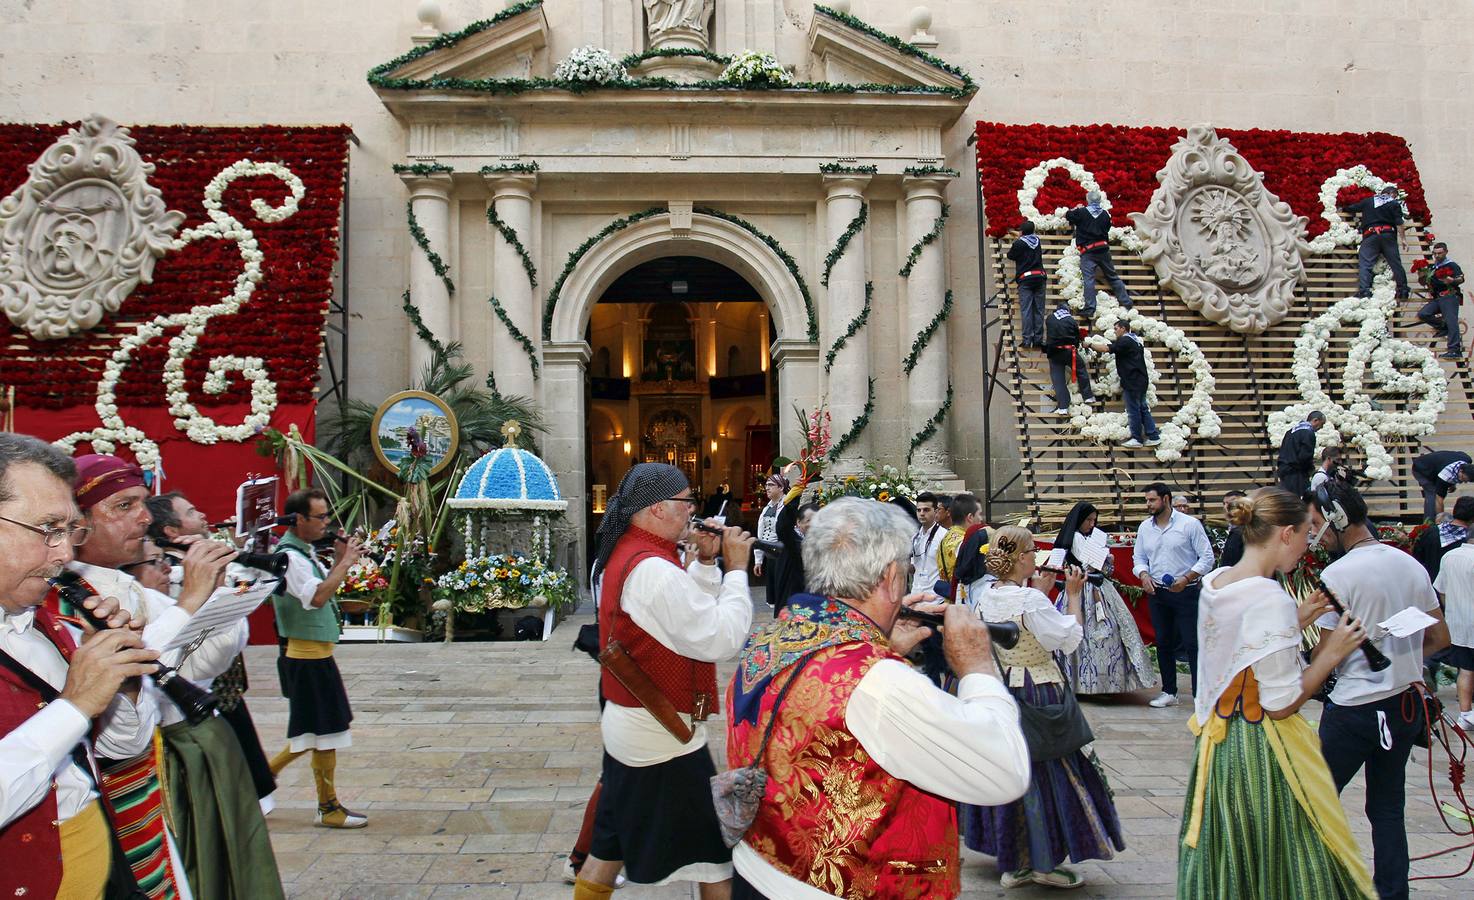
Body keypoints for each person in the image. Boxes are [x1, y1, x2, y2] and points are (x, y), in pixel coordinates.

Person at [725, 498, 1031, 898]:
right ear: (891, 578)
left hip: (761, 868)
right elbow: (1005, 772)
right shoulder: (881, 681)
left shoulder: (775, 633)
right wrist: (976, 666)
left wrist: (876, 636)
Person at [61, 453, 283, 899]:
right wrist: (192, 600)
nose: (144, 517)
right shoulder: (69, 595)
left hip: (148, 768)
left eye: (142, 503)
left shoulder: (121, 586)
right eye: (123, 506)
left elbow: (201, 665)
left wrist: (221, 593)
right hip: (126, 778)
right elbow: (130, 679)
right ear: (77, 522)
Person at [1177, 487, 1375, 898]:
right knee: (1293, 857)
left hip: (1221, 744)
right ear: (1286, 534)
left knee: (1230, 851)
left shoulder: (1217, 580)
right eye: (1306, 534)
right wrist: (1332, 652)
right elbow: (1282, 702)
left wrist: (1295, 621)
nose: (1308, 546)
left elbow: (1238, 648)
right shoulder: (1269, 597)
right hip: (1261, 749)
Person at [576, 463, 755, 899]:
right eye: (686, 502)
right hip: (660, 738)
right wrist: (736, 571)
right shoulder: (652, 567)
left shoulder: (638, 551)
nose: (693, 511)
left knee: (606, 852)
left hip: (636, 727)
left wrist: (708, 564)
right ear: (657, 508)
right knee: (714, 862)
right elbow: (718, 638)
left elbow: (680, 615)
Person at [0, 433, 167, 900]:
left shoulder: (44, 623)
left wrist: (122, 680)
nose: (65, 555)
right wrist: (75, 704)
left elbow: (118, 748)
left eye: (68, 529)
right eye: (47, 528)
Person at [1309, 481, 1451, 900]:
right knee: (1388, 810)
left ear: (1336, 519)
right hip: (1403, 705)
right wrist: (1402, 652)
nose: (1315, 535)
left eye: (1318, 524)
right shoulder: (1409, 565)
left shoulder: (1338, 573)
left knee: (1313, 802)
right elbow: (1440, 636)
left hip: (1354, 708)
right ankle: (1393, 893)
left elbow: (1324, 655)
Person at [963, 526, 1125, 889]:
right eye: (1032, 551)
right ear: (1020, 558)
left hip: (1006, 689)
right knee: (1051, 774)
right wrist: (1071, 597)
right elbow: (1068, 638)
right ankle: (1044, 860)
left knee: (1016, 771)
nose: (1037, 556)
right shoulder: (1031, 601)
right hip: (1040, 689)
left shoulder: (986, 595)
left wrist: (1039, 593)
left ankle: (1016, 857)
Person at [147, 489, 278, 812]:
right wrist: (219, 588)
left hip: (225, 690)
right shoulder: (173, 575)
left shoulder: (199, 562)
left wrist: (249, 552)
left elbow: (250, 585)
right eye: (191, 512)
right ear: (171, 532)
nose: (203, 516)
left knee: (245, 778)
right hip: (199, 692)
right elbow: (216, 647)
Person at [268, 488, 369, 829]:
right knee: (322, 733)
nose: (327, 523)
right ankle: (327, 807)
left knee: (316, 732)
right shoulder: (290, 557)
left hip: (316, 657)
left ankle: (260, 781)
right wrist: (345, 563)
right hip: (305, 658)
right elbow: (318, 596)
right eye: (320, 517)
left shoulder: (304, 551)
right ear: (298, 520)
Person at [1052, 502, 1155, 694]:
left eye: (1094, 520)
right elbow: (1090, 563)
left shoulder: (1087, 537)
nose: (1092, 524)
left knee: (1109, 630)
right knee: (1088, 632)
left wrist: (1106, 559)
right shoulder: (1075, 537)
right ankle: (1086, 682)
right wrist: (1105, 558)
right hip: (1082, 587)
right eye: (1089, 520)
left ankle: (1099, 683)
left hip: (1096, 586)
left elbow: (1105, 567)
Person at [1133, 482, 1214, 708]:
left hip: (1186, 590)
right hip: (1158, 591)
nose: (1148, 505)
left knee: (1192, 642)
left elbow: (1207, 557)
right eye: (1147, 500)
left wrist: (1187, 578)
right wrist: (1143, 574)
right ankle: (1169, 690)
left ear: (1166, 499)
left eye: (1152, 500)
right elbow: (1138, 557)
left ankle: (1200, 694)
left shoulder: (1190, 525)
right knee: (1163, 641)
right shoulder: (1145, 528)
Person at [1090, 319, 1159, 447]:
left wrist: (1089, 344)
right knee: (1143, 408)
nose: (1115, 332)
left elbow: (1106, 348)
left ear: (1123, 328)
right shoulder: (1136, 340)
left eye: (1116, 329)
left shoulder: (1125, 340)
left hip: (1132, 381)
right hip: (1141, 380)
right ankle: (1153, 435)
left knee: (1133, 410)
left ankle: (1137, 438)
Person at [1065, 190, 1132, 315]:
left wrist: (1076, 208)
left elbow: (1068, 215)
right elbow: (1107, 228)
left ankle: (1090, 308)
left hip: (1088, 250)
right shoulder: (1105, 214)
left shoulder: (1082, 212)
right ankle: (1126, 302)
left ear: (1088, 200)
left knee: (1089, 279)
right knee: (1112, 276)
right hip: (1103, 249)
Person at [1338, 184, 1411, 300]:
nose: (1395, 198)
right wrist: (1403, 239)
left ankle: (1364, 291)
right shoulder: (1394, 203)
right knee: (1395, 263)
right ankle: (1403, 289)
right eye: (1395, 196)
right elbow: (1399, 222)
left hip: (1370, 235)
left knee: (1365, 264)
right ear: (1392, 194)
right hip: (1388, 235)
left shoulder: (1368, 201)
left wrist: (1343, 207)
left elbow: (1352, 207)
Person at [1434, 527, 1474, 731]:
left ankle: (1465, 714)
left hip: (1457, 621)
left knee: (1466, 669)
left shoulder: (1449, 556)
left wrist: (1451, 611)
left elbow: (1441, 590)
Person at [1043, 298, 1095, 415]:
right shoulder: (1071, 320)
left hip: (1054, 353)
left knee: (1058, 380)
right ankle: (1088, 396)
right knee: (1081, 370)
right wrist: (1076, 345)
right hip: (1069, 351)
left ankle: (1063, 407)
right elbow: (1076, 336)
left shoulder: (1050, 319)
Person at [1416, 241, 1466, 359]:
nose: (1437, 256)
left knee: (1451, 321)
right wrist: (1421, 275)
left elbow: (1461, 278)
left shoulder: (1451, 265)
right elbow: (1424, 282)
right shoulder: (1433, 267)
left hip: (1449, 296)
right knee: (1424, 313)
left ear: (1446, 252)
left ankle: (1454, 350)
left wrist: (1452, 281)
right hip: (1438, 298)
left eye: (1440, 253)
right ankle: (1444, 327)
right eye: (1435, 253)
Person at [1412, 498, 1474, 582]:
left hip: (1429, 586)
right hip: (1455, 590)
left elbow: (1416, 560)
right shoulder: (1469, 540)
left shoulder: (1430, 532)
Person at [1008, 220, 1048, 348]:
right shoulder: (1037, 241)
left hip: (1026, 279)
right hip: (1040, 277)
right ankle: (1038, 339)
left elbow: (1011, 255)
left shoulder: (1019, 243)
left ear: (1022, 231)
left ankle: (1027, 339)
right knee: (1039, 310)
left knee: (1026, 310)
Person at [1411, 449, 1474, 522]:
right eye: (1463, 478)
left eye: (1466, 481)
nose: (1463, 481)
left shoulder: (1467, 460)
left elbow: (1459, 453)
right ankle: (1429, 524)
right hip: (1421, 468)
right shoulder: (1445, 476)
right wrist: (1441, 522)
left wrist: (1452, 483)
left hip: (1436, 466)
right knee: (1432, 495)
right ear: (1461, 470)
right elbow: (1439, 500)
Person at [936, 493, 982, 592]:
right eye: (979, 514)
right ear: (970, 517)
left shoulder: (946, 536)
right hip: (963, 598)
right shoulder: (965, 542)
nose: (981, 519)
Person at [1275, 411, 1324, 497]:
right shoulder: (1308, 433)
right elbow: (1305, 457)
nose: (1321, 428)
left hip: (1284, 469)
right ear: (1315, 420)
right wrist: (1310, 469)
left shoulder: (1290, 432)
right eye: (1321, 424)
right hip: (1296, 473)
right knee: (1298, 500)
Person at [752, 473, 785, 585]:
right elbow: (760, 536)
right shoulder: (766, 509)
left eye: (771, 485)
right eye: (766, 485)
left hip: (783, 556)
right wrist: (758, 561)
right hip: (770, 557)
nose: (767, 488)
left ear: (781, 487)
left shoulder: (787, 507)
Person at [910, 491, 944, 594]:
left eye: (926, 510)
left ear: (936, 511)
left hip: (936, 598)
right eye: (919, 510)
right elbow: (913, 568)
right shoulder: (915, 537)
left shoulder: (943, 536)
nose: (921, 513)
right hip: (916, 594)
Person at [1218, 490, 1247, 567]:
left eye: (1230, 503)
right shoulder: (1231, 529)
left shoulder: (1249, 530)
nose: (1225, 507)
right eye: (1224, 503)